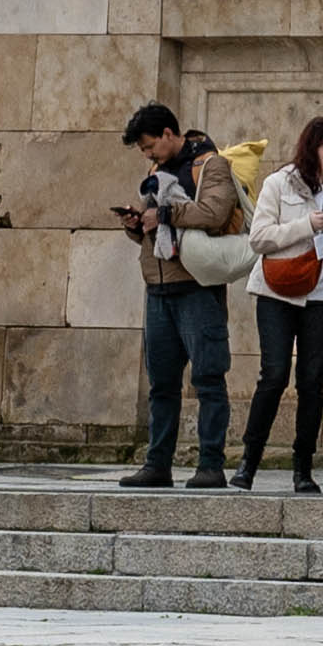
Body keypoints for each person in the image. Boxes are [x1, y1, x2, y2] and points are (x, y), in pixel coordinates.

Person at [107, 102, 235, 489]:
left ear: (168, 133)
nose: (148, 155)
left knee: (209, 378)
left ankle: (211, 465)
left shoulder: (210, 165)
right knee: (162, 383)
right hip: (159, 288)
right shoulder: (155, 172)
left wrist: (163, 216)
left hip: (198, 288)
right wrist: (137, 222)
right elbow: (151, 224)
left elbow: (214, 212)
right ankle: (157, 463)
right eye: (144, 152)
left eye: (150, 147)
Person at [235, 115, 323, 492]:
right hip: (277, 291)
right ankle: (247, 463)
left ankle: (303, 469)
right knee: (273, 375)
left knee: (312, 381)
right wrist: (308, 224)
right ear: (311, 147)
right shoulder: (279, 182)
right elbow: (258, 238)